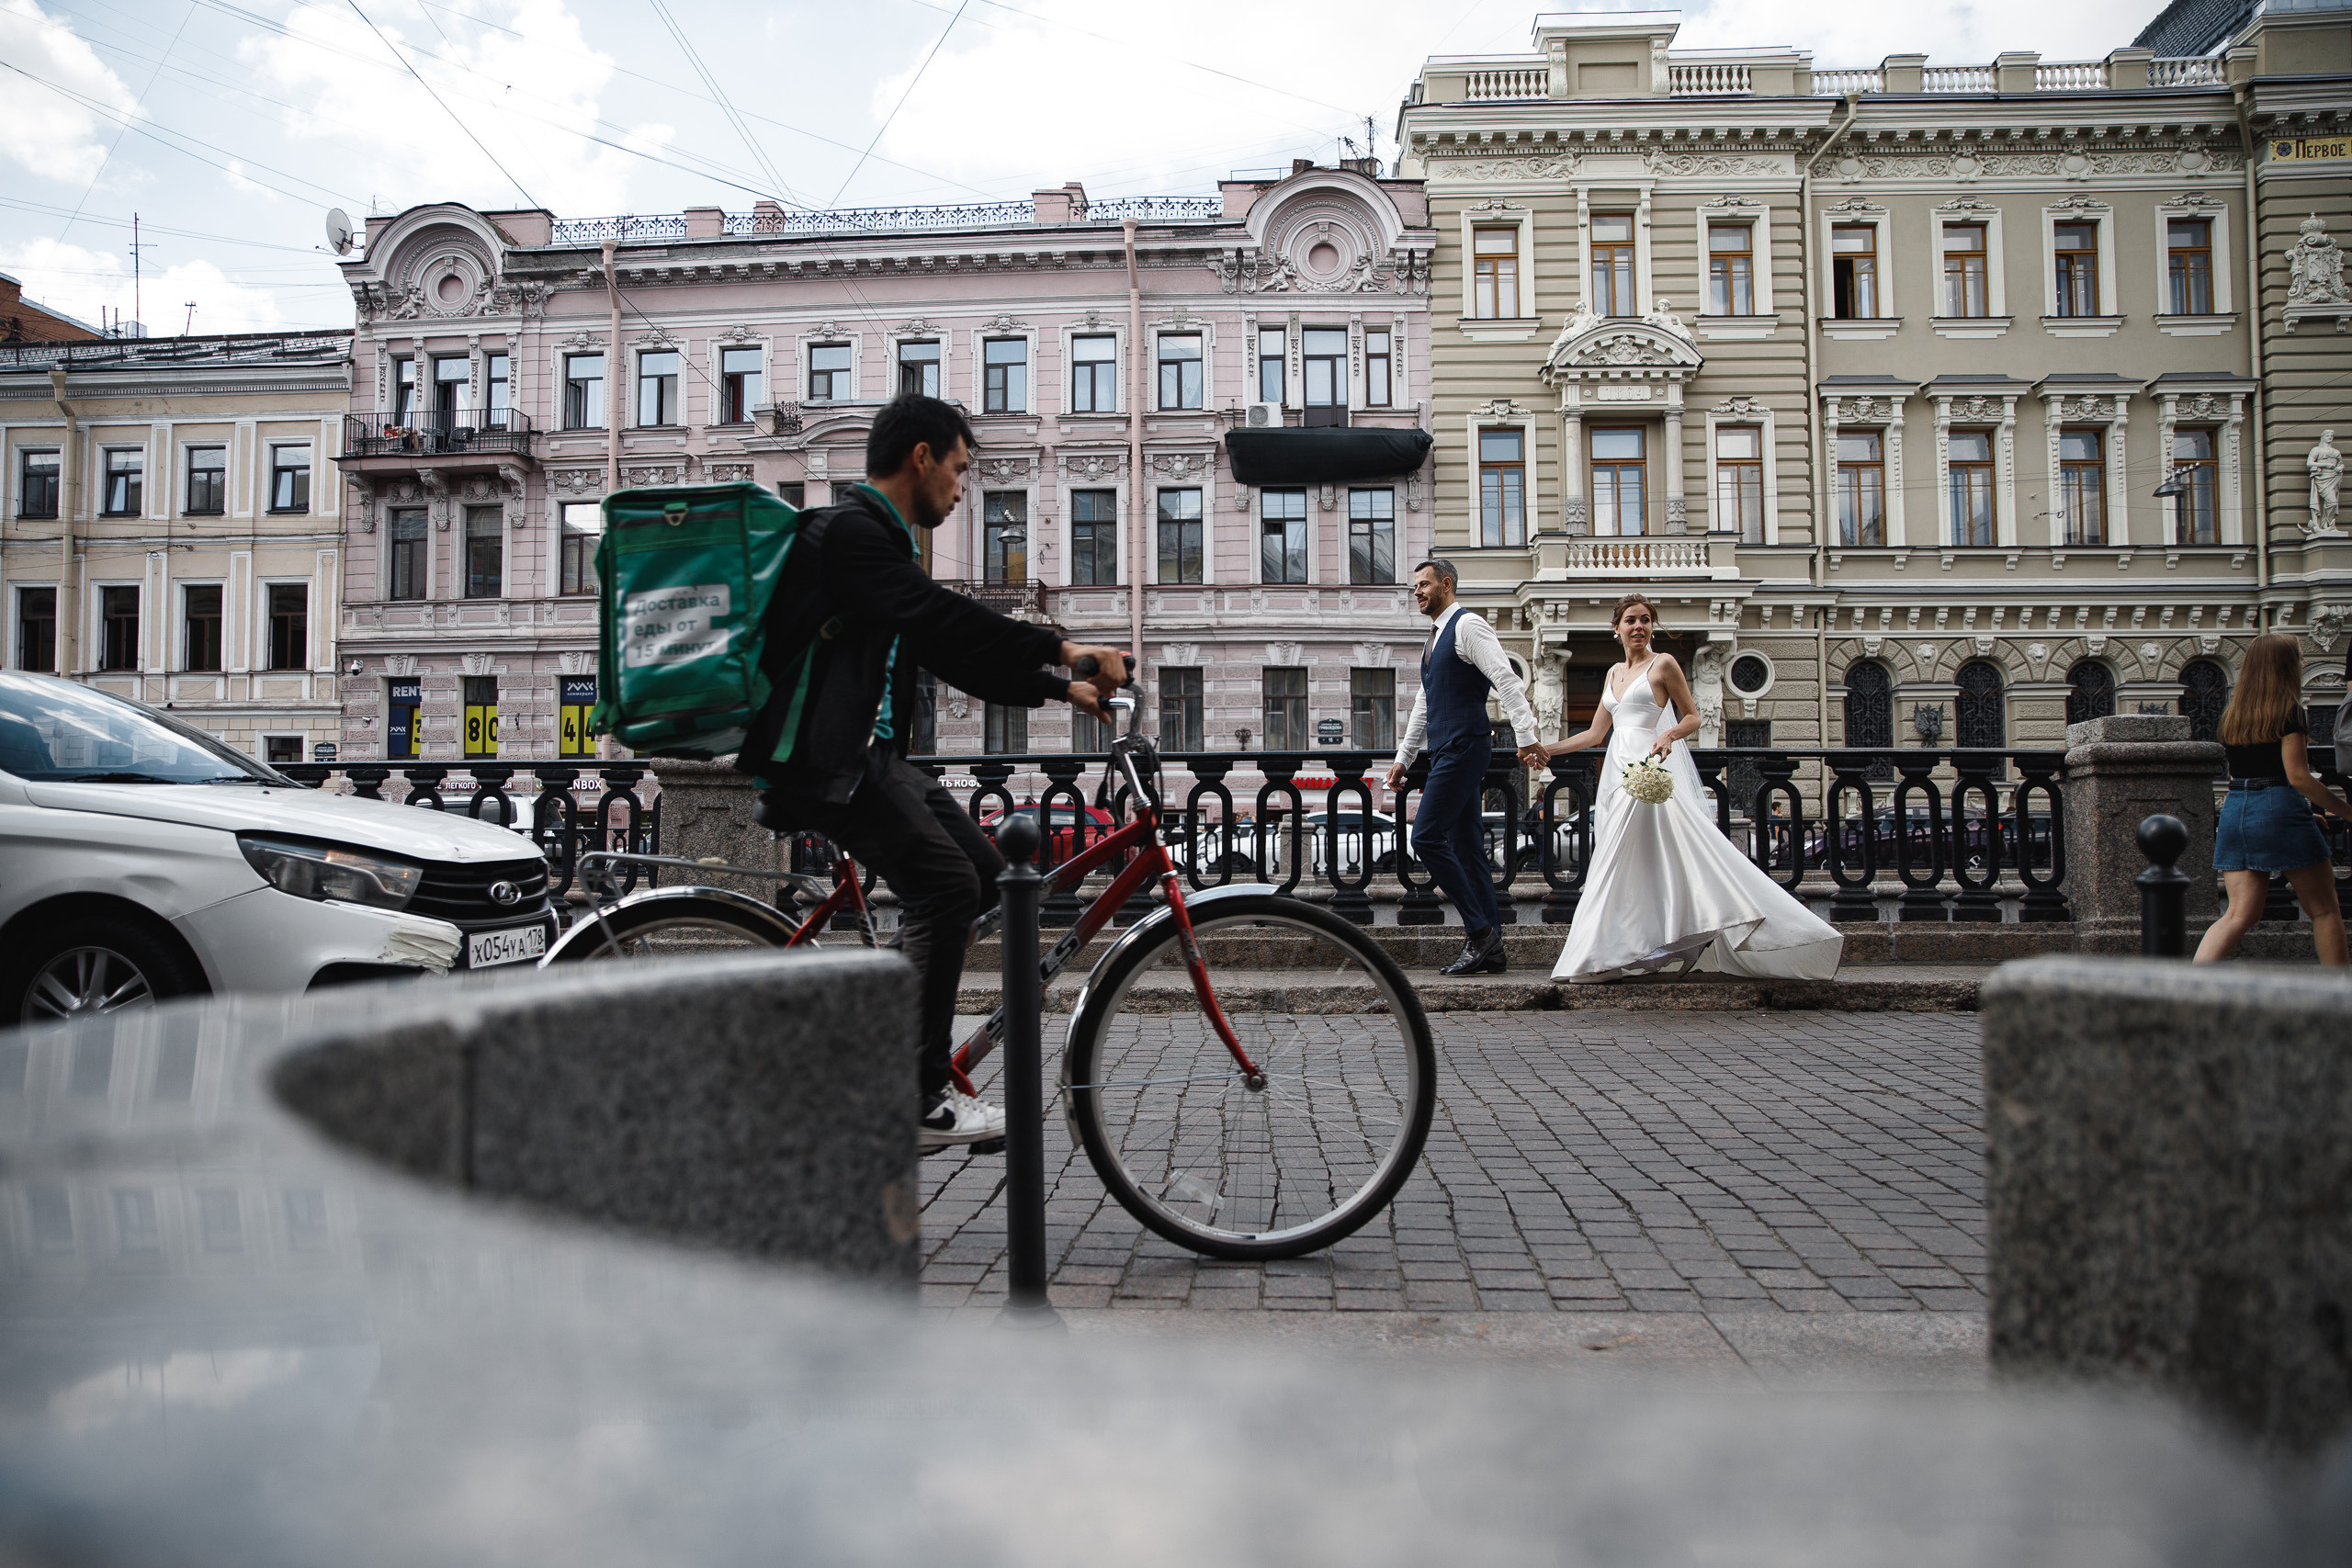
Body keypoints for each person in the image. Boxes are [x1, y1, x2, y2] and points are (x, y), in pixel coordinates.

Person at [739, 394, 1128, 1145]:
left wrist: (1058, 687)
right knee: (945, 888)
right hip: (823, 761)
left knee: (984, 873)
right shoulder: (849, 534)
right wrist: (1062, 647)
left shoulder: (879, 547)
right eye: (956, 469)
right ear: (921, 458)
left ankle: (880, 1027)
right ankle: (917, 1096)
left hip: (867, 758)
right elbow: (940, 615)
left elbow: (948, 651)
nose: (958, 487)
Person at [1543, 593, 1842, 983]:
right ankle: (1625, 948)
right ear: (1615, 629)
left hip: (1650, 772)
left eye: (1646, 620)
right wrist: (1547, 749)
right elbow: (1596, 733)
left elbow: (1694, 717)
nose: (1638, 627)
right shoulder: (1613, 673)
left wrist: (1669, 735)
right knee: (1628, 860)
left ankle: (1602, 955)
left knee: (1632, 857)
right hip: (1619, 776)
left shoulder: (1663, 664)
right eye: (1630, 620)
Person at [1383, 558, 1544, 976]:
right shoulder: (1433, 637)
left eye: (1424, 584)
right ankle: (1492, 949)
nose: (1416, 592)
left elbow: (1506, 680)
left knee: (1426, 836)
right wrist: (1404, 757)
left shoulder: (1468, 626)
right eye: (1414, 586)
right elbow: (1425, 700)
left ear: (1447, 584)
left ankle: (1480, 932)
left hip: (1465, 747)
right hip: (1446, 748)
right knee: (1469, 851)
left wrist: (1525, 736)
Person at [2192, 632, 2350, 966]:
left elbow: (2250, 771)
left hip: (2237, 810)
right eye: (2298, 658)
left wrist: (2306, 813)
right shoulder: (2290, 711)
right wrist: (2346, 811)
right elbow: (2296, 777)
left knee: (2237, 914)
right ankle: (2341, 999)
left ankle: (2187, 988)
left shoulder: (2234, 713)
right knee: (2324, 911)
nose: (2303, 663)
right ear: (2286, 666)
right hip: (2280, 809)